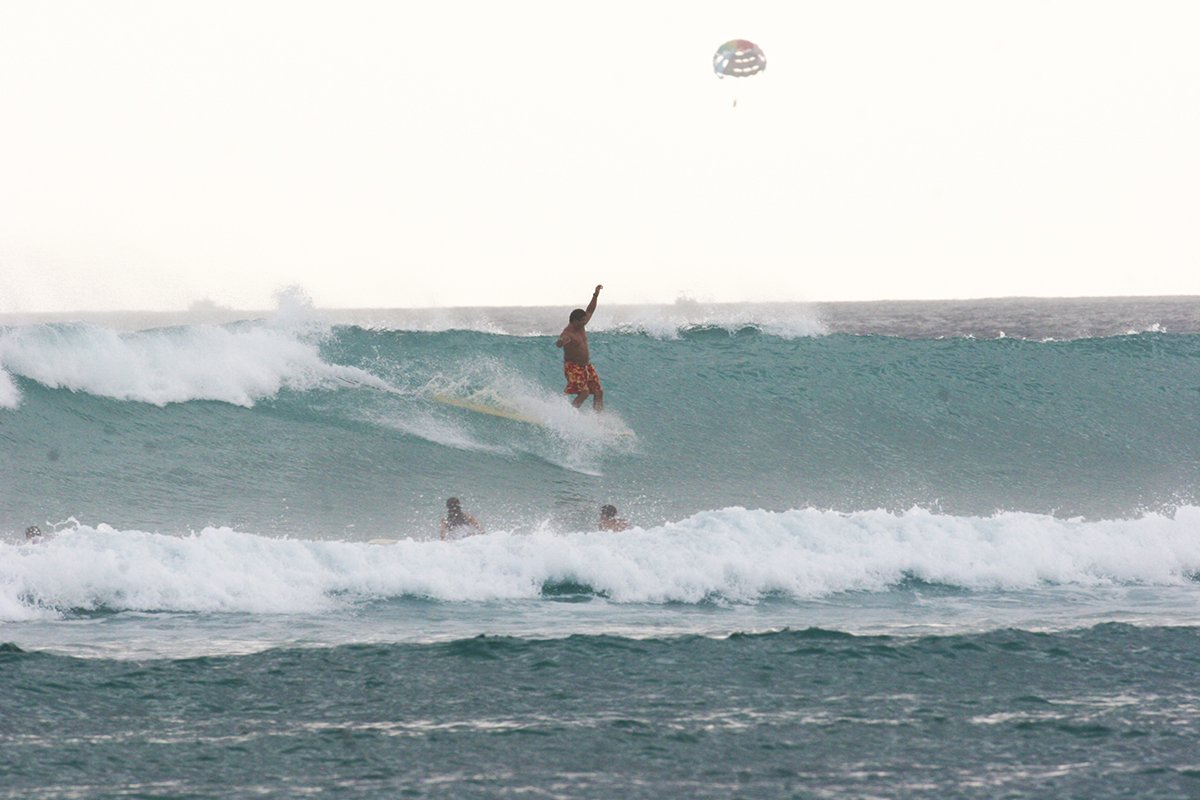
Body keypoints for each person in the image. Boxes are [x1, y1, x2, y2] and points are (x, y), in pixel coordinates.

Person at [556, 284, 605, 411]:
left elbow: (590, 310)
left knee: (598, 392)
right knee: (584, 392)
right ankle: (570, 416)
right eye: (582, 321)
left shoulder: (581, 326)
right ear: (574, 321)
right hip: (572, 367)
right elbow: (560, 342)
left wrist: (595, 295)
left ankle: (598, 422)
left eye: (584, 320)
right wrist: (561, 342)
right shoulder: (568, 333)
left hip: (586, 366)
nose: (585, 322)